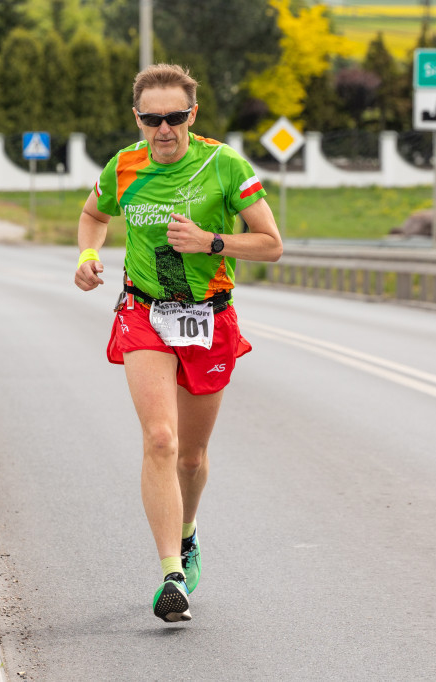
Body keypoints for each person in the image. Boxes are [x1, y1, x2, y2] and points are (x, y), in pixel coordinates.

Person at [74, 63, 283, 623]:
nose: (163, 129)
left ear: (192, 114)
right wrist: (88, 256)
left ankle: (188, 534)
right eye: (151, 119)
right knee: (161, 439)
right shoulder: (124, 165)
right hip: (144, 313)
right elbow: (93, 215)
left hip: (208, 318)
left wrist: (213, 241)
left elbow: (271, 244)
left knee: (190, 457)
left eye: (174, 117)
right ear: (136, 118)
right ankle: (171, 575)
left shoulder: (224, 165)